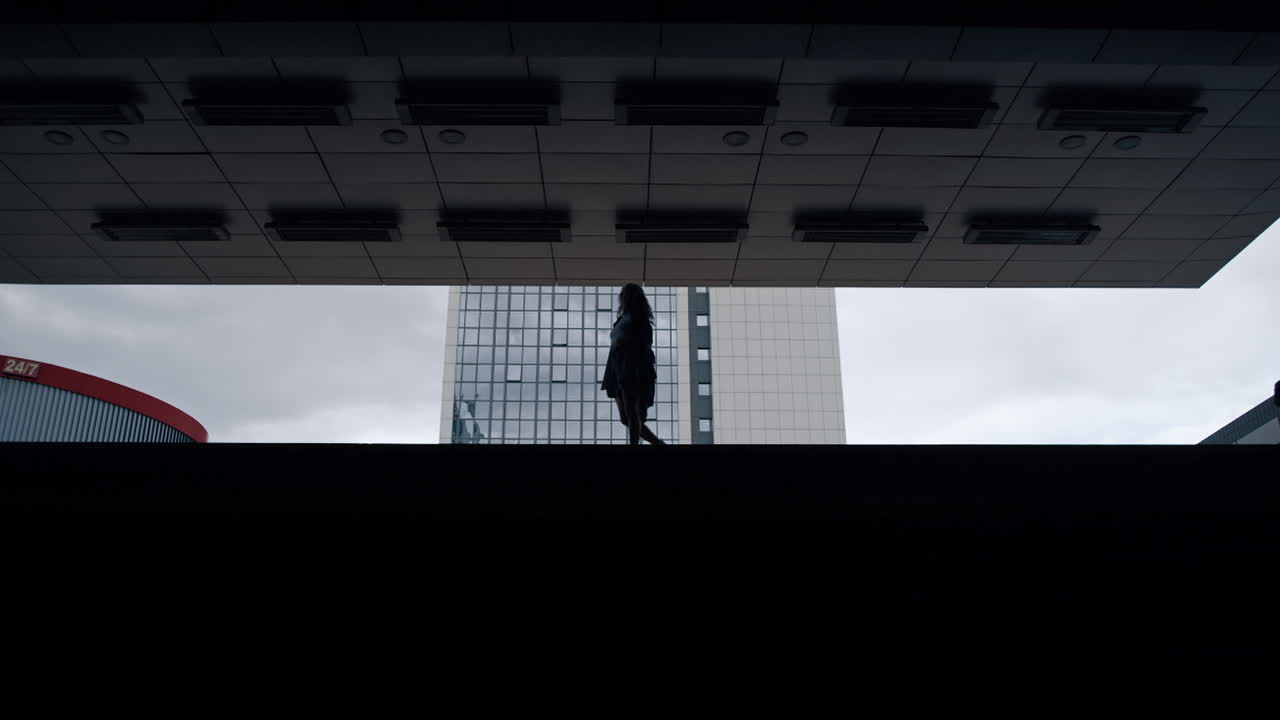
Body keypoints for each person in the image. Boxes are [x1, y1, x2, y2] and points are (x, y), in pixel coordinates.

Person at [601, 283, 665, 445]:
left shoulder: (639, 318)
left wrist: (636, 365)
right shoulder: (622, 319)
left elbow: (645, 344)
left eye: (625, 294)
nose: (622, 298)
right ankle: (658, 443)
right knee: (625, 418)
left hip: (631, 365)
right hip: (616, 366)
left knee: (631, 412)